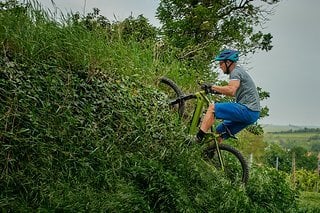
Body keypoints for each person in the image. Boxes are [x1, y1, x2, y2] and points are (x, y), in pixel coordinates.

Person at [195, 49, 260, 142]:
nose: (220, 66)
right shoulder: (239, 72)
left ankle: (198, 138)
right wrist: (214, 90)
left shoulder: (235, 72)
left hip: (247, 109)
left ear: (228, 62)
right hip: (253, 114)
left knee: (212, 108)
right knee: (219, 132)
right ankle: (210, 153)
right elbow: (230, 90)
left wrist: (212, 86)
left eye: (221, 63)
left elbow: (231, 90)